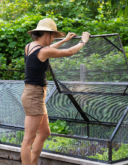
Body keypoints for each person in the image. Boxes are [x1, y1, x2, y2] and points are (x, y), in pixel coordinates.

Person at [20, 18, 90, 165]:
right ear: (46, 34)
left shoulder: (30, 46)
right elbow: (70, 52)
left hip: (34, 94)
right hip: (34, 96)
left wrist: (64, 40)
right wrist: (83, 41)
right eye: (52, 36)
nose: (53, 39)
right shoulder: (43, 51)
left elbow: (50, 48)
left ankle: (33, 162)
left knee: (45, 132)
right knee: (28, 140)